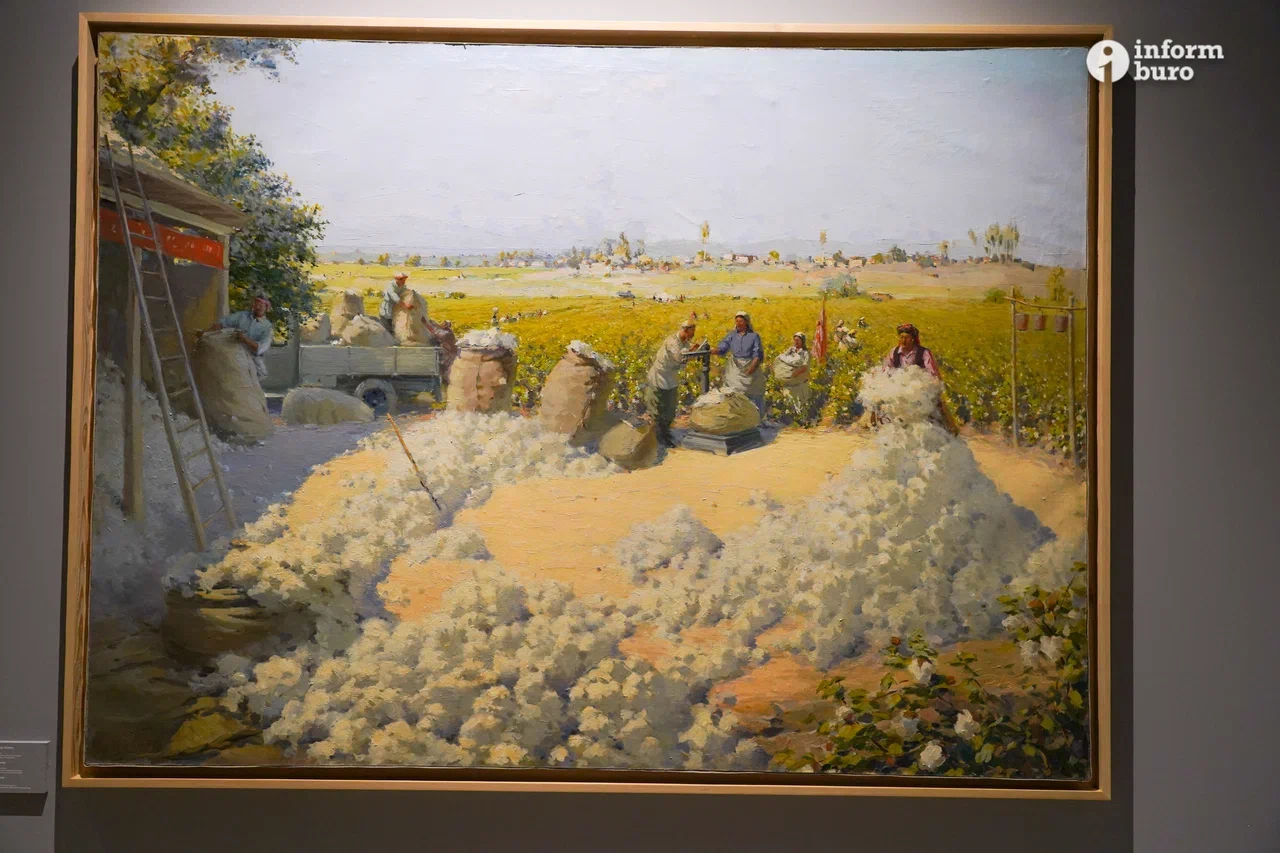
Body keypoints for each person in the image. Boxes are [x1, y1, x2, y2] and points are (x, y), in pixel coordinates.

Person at [881, 323, 959, 435]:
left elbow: (932, 372)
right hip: (898, 384)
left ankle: (949, 428)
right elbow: (886, 369)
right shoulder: (894, 352)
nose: (903, 340)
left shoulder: (923, 353)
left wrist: (928, 383)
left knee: (936, 403)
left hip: (919, 386)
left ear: (913, 339)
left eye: (907, 338)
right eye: (901, 337)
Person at [645, 318, 700, 447]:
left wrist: (695, 351)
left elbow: (686, 357)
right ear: (685, 330)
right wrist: (692, 351)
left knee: (670, 408)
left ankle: (665, 433)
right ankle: (659, 438)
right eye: (691, 332)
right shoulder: (672, 341)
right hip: (659, 376)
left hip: (671, 377)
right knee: (657, 408)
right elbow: (679, 357)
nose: (692, 335)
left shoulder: (685, 343)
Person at [200, 293, 273, 379]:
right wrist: (205, 332)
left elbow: (260, 348)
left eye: (261, 305)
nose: (257, 307)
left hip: (252, 359)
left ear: (266, 307)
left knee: (251, 376)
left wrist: (244, 339)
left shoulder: (267, 327)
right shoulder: (242, 315)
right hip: (233, 352)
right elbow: (223, 323)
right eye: (256, 304)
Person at [714, 311, 766, 417]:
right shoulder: (732, 335)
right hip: (735, 366)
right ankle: (736, 416)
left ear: (746, 322)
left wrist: (752, 367)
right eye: (737, 321)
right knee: (733, 390)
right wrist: (714, 350)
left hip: (750, 364)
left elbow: (758, 353)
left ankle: (756, 417)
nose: (738, 323)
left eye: (741, 321)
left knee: (753, 391)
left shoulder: (754, 336)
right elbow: (723, 347)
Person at [773, 332, 813, 421]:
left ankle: (802, 418)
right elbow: (782, 358)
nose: (796, 342)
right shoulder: (791, 349)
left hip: (799, 379)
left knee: (801, 399)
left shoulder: (805, 353)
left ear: (802, 341)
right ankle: (792, 417)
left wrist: (796, 373)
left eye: (798, 340)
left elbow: (805, 366)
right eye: (795, 340)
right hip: (789, 379)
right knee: (789, 397)